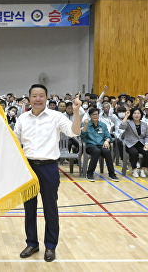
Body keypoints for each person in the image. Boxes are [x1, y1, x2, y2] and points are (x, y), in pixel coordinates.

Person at [14, 84, 81, 262]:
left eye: (41, 95)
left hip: (49, 167)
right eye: (34, 96)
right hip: (28, 168)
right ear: (29, 98)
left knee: (50, 208)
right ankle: (32, 243)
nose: (38, 99)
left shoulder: (56, 117)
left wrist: (76, 112)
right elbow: (14, 142)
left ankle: (50, 246)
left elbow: (74, 131)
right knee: (29, 208)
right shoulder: (22, 119)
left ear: (46, 98)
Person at [81, 108, 118, 182]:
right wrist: (86, 125)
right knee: (96, 151)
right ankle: (90, 173)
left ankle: (112, 174)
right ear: (90, 116)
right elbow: (82, 136)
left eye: (97, 114)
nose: (95, 116)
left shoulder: (103, 125)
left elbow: (108, 136)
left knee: (107, 152)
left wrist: (107, 141)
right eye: (93, 114)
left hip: (101, 145)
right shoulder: (86, 124)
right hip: (90, 145)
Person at [119, 108, 148, 177]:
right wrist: (126, 116)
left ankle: (143, 169)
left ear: (141, 115)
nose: (136, 115)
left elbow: (147, 136)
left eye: (138, 113)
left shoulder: (144, 124)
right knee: (134, 152)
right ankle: (134, 169)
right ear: (132, 114)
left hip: (141, 144)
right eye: (134, 113)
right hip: (130, 144)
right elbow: (121, 126)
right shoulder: (128, 122)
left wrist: (146, 144)